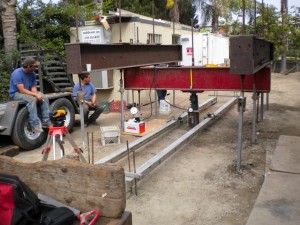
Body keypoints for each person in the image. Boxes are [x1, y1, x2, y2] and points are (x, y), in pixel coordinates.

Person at [9, 57, 51, 133]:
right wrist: (35, 96)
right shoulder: (17, 73)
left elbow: (33, 87)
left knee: (43, 96)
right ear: (28, 66)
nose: (35, 67)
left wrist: (36, 95)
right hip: (16, 93)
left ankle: (46, 121)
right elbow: (22, 90)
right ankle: (34, 125)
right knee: (31, 100)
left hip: (27, 91)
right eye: (34, 66)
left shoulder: (32, 74)